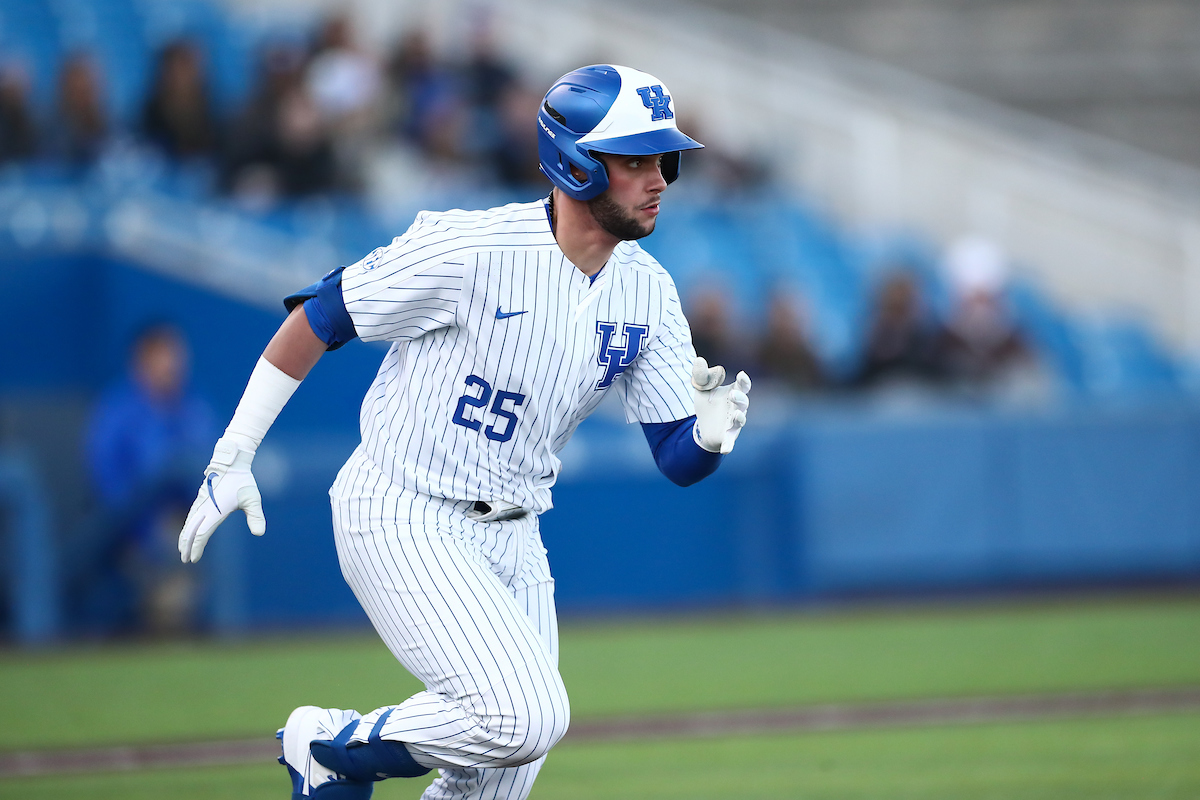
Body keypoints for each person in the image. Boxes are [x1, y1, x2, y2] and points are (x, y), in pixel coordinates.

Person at [177, 64, 751, 800]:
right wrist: (234, 454)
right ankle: (330, 745)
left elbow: (676, 459)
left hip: (517, 534)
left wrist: (708, 437)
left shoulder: (649, 291)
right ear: (575, 162)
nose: (659, 178)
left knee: (495, 783)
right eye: (635, 159)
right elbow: (320, 317)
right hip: (403, 506)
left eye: (662, 159)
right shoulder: (471, 247)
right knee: (525, 717)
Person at [81, 324, 215, 635]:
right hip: (132, 536)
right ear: (142, 359)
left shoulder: (195, 408)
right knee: (170, 586)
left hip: (192, 528)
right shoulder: (117, 411)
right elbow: (109, 488)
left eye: (177, 354)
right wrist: (144, 532)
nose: (173, 363)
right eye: (163, 355)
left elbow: (211, 472)